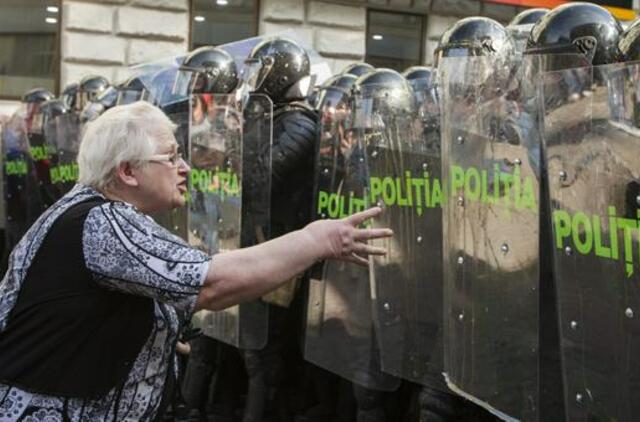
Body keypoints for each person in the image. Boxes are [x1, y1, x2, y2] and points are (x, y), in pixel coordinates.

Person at [0, 101, 392, 421]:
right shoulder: (104, 222)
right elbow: (211, 282)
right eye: (171, 157)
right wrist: (316, 238)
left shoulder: (92, 212)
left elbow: (192, 276)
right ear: (127, 171)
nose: (185, 168)